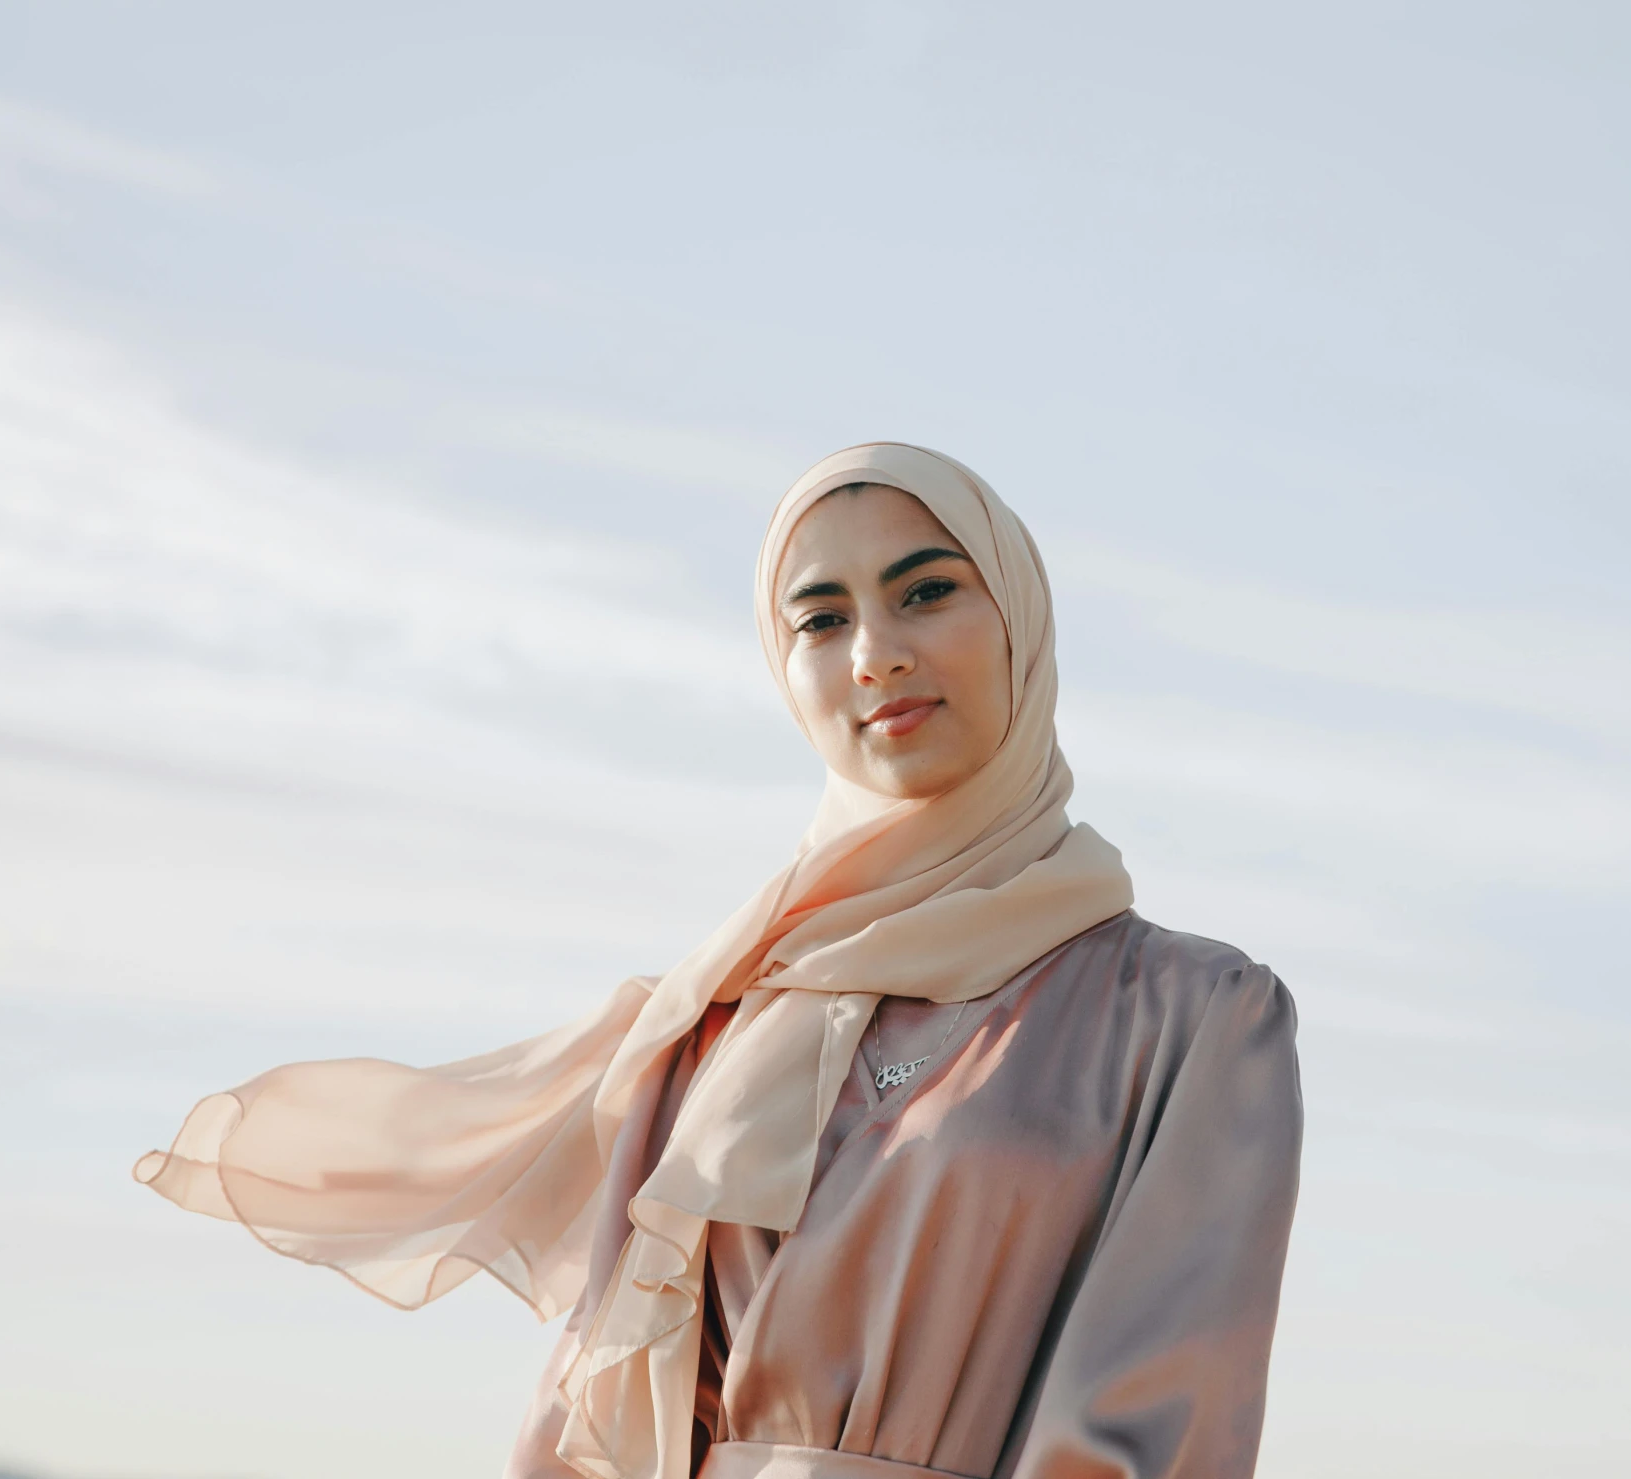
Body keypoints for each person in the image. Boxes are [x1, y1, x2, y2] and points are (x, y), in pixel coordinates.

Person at [135, 444, 1304, 1479]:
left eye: (927, 591)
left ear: (1021, 620)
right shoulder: (718, 1020)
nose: (876, 654)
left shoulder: (1197, 1017)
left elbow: (1156, 1428)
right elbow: (588, 1416)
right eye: (821, 619)